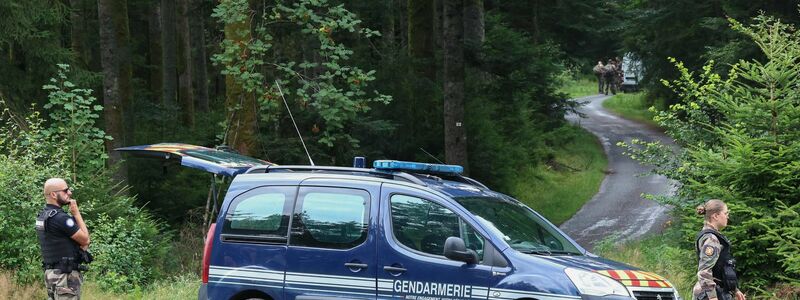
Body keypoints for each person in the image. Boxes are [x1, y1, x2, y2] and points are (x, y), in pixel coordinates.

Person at [36, 178, 91, 300]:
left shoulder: (43, 217)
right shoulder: (61, 219)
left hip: (51, 275)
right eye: (65, 190)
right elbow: (85, 239)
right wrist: (76, 213)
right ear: (54, 194)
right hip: (65, 277)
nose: (70, 193)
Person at [692, 199, 746, 300]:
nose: (727, 216)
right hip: (711, 293)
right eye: (725, 213)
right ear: (715, 216)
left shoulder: (715, 237)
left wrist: (735, 289)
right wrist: (712, 297)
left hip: (718, 290)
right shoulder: (711, 239)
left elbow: (722, 267)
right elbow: (704, 271)